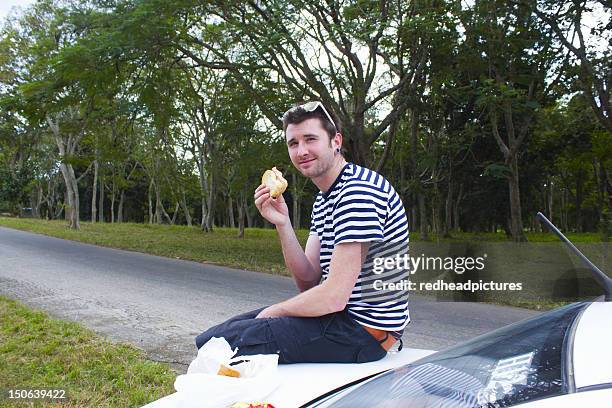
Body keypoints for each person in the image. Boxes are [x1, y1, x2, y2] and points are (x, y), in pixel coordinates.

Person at [195, 101, 410, 364]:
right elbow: (308, 279)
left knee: (222, 346)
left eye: (310, 139)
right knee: (216, 338)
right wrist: (283, 223)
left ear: (335, 141)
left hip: (363, 331)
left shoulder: (358, 192)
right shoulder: (325, 198)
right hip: (340, 319)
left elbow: (333, 297)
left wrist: (276, 311)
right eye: (293, 143)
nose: (302, 151)